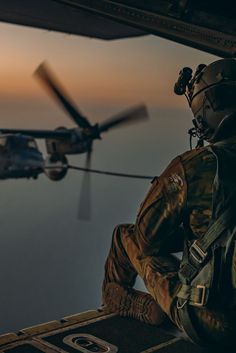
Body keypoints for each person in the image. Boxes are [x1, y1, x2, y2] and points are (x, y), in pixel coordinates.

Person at [102, 58, 236, 347]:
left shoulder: (194, 166)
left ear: (208, 106)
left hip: (214, 323)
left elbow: (147, 239)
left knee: (125, 235)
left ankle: (121, 304)